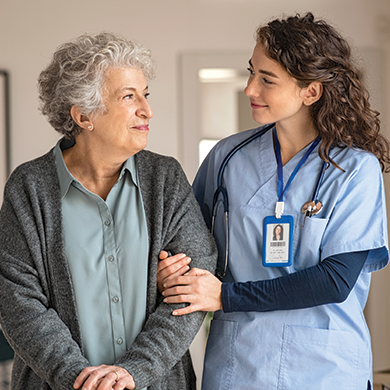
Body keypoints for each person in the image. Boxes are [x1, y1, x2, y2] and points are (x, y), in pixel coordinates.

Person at [158, 12, 390, 390]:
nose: (250, 89)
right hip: (239, 366)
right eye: (252, 73)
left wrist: (225, 296)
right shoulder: (227, 158)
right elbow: (188, 243)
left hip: (325, 371)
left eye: (267, 80)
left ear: (310, 92)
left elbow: (335, 280)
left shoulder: (354, 170)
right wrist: (170, 271)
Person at [0, 32, 217, 390]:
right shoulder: (30, 186)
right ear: (84, 115)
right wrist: (81, 380)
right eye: (128, 97)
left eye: (145, 95)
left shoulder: (165, 178)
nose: (147, 110)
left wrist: (135, 371)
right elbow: (17, 300)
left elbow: (194, 285)